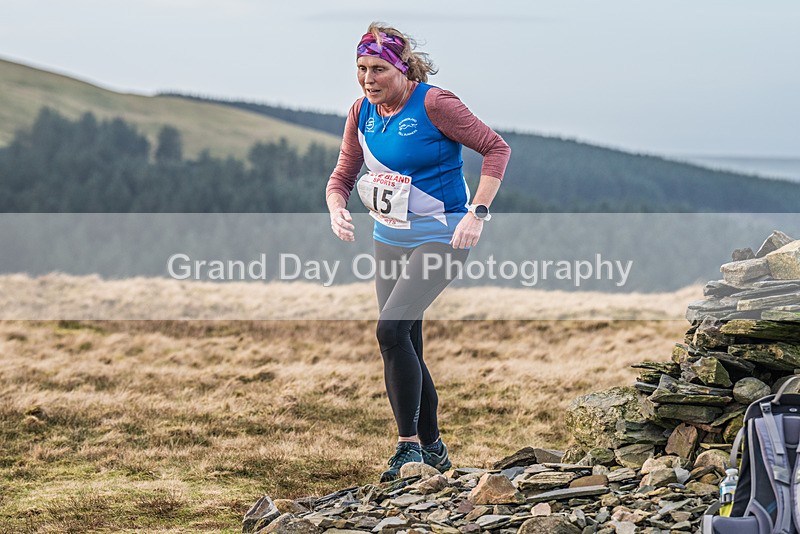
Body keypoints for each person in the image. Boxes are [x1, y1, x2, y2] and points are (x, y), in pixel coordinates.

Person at [325, 22, 511, 482]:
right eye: (361, 69)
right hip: (389, 237)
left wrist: (477, 212)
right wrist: (336, 208)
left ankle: (407, 449)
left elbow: (495, 148)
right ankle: (433, 450)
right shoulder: (360, 112)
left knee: (389, 331)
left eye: (378, 69)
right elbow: (343, 175)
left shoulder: (434, 103)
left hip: (442, 235)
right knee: (405, 339)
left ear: (402, 67)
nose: (368, 79)